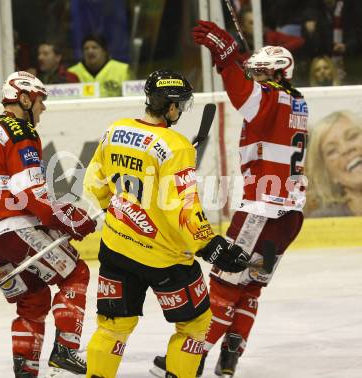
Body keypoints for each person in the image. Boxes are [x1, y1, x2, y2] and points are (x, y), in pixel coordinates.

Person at [151, 22, 308, 378]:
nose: (255, 78)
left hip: (262, 211)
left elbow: (244, 95)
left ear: (279, 75)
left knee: (223, 286)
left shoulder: (273, 99)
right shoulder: (297, 101)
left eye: (262, 73)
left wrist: (227, 59)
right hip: (289, 216)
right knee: (251, 285)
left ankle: (191, 360)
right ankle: (230, 357)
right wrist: (240, 62)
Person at [83, 69, 250, 378]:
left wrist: (116, 208)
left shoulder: (114, 130)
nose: (181, 111)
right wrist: (210, 245)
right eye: (180, 105)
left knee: (112, 328)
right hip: (166, 259)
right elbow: (183, 207)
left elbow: (95, 182)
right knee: (195, 325)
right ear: (171, 107)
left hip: (117, 248)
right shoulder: (176, 146)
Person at [0, 71, 97, 377]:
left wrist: (56, 217)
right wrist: (67, 220)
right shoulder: (20, 130)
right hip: (8, 226)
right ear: (24, 98)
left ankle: (26, 369)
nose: (43, 108)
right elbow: (29, 192)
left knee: (33, 298)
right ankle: (66, 350)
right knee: (75, 273)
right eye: (39, 100)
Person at [305, 110, 362, 217]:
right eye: (332, 151)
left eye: (352, 136)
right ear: (329, 175)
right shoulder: (321, 222)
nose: (346, 149)